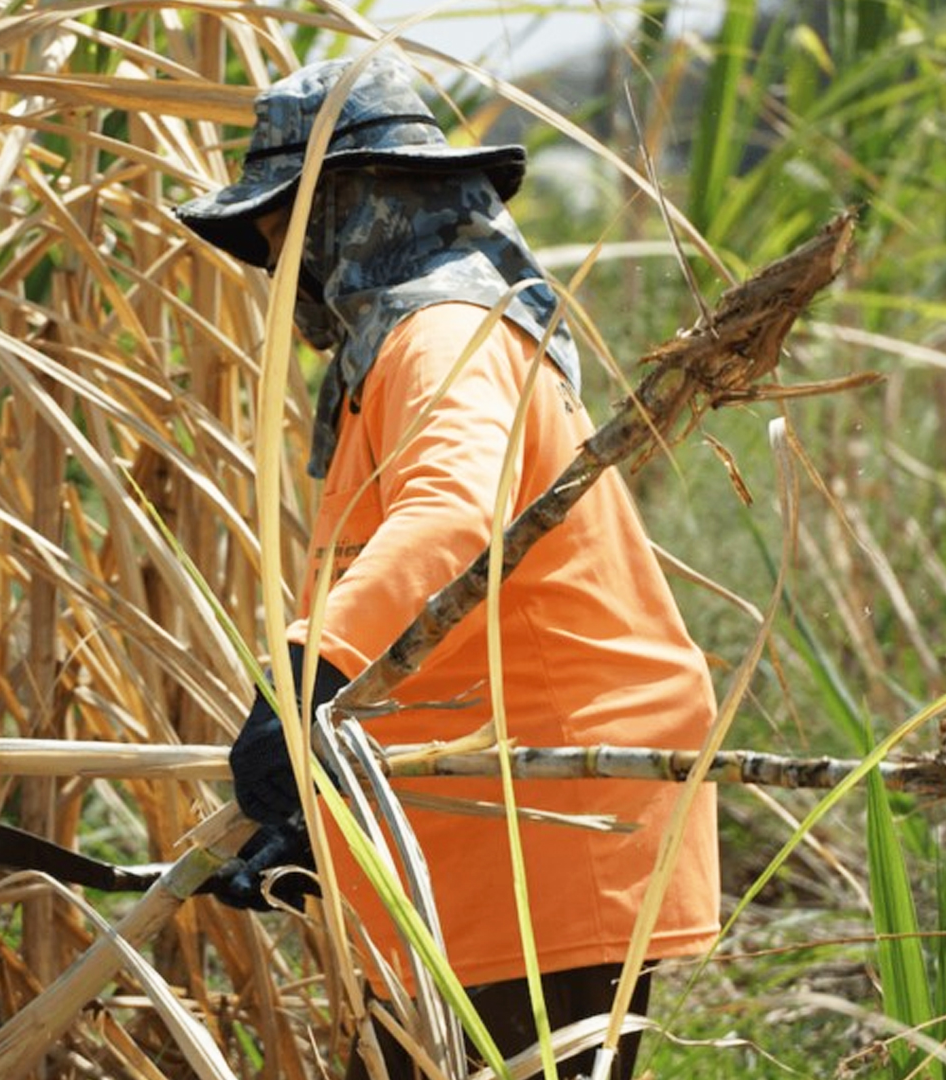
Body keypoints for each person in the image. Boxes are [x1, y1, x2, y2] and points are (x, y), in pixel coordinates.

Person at [174, 55, 720, 1080]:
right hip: (473, 813)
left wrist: (304, 683)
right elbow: (436, 604)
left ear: (348, 208)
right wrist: (319, 814)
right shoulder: (403, 349)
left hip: (547, 809)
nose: (271, 262)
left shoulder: (445, 333)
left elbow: (450, 517)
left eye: (277, 230)